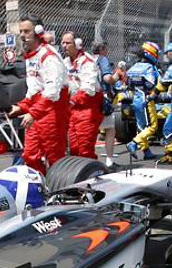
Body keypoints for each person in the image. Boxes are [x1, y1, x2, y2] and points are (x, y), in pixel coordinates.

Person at [8, 14, 69, 174]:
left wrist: (33, 112)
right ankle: (40, 190)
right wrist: (20, 108)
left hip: (52, 112)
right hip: (37, 113)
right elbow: (33, 91)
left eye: (26, 31)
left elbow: (52, 92)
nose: (22, 35)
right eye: (21, 31)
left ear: (37, 31)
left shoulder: (49, 56)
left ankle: (59, 191)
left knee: (55, 157)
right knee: (30, 156)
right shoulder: (31, 56)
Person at [61, 33, 103, 159]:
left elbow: (88, 89)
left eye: (67, 43)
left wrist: (71, 102)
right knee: (73, 149)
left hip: (88, 108)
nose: (64, 46)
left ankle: (91, 174)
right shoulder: (66, 62)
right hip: (73, 108)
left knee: (85, 150)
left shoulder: (88, 61)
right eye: (63, 43)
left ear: (78, 44)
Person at [125, 41, 162, 161]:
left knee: (141, 127)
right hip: (146, 100)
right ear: (151, 54)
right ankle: (134, 143)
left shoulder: (134, 67)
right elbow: (152, 85)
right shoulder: (150, 68)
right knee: (152, 127)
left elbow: (128, 84)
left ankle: (146, 151)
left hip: (135, 99)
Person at [93, 41, 119, 168]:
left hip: (87, 96)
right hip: (102, 97)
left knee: (91, 129)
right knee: (110, 129)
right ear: (102, 49)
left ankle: (88, 158)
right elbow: (107, 78)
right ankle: (109, 160)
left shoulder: (86, 58)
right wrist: (117, 75)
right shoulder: (102, 59)